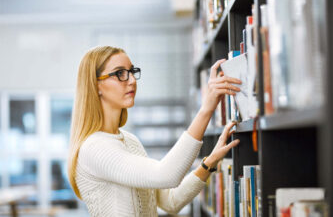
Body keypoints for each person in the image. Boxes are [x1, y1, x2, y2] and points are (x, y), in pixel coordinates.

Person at [67, 46, 242, 216]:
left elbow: (170, 202)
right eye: (120, 73)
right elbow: (166, 175)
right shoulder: (94, 148)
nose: (132, 80)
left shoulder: (130, 141)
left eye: (131, 71)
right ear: (95, 85)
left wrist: (210, 162)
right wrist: (207, 108)